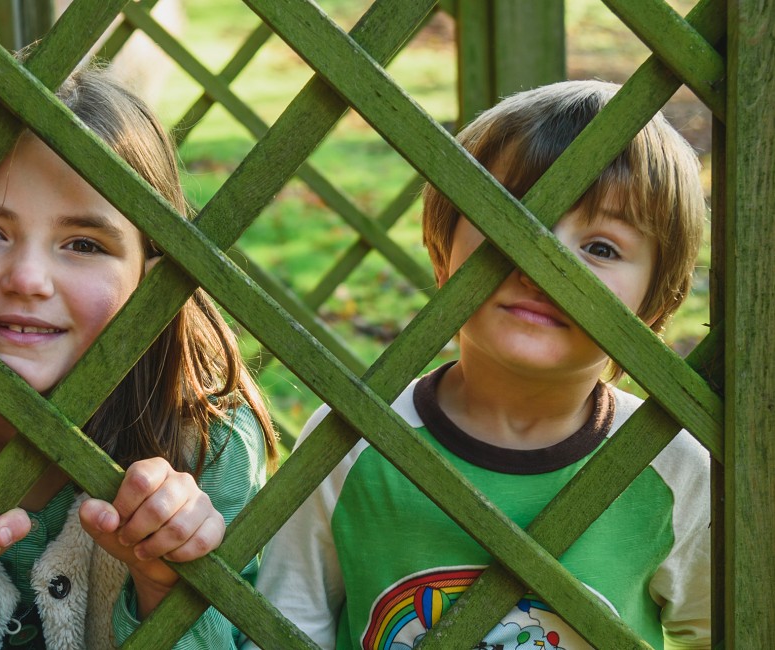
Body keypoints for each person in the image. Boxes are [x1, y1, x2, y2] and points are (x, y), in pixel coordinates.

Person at [246, 80, 710, 649]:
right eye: (510, 218)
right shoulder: (352, 442)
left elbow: (719, 629)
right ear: (443, 253)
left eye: (601, 248)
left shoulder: (674, 469)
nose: (542, 264)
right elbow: (290, 623)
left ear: (654, 304)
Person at [0, 64, 278, 650]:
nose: (28, 279)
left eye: (85, 244)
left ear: (151, 278)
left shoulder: (207, 444)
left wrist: (167, 591)